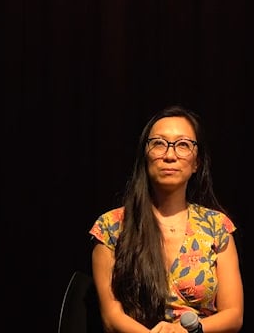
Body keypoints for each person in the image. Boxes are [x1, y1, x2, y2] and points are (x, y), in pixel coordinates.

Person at [89, 105, 244, 333]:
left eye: (183, 145)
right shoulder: (111, 227)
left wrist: (185, 331)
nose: (170, 156)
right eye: (159, 144)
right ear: (145, 155)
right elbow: (112, 318)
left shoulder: (217, 226)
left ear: (197, 163)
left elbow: (233, 314)